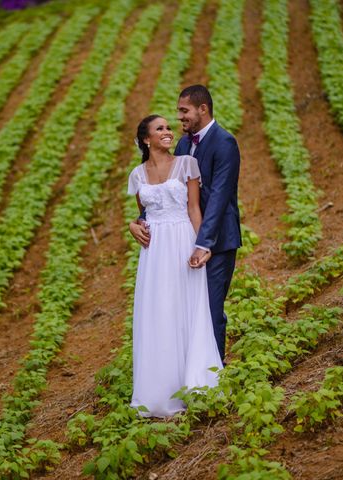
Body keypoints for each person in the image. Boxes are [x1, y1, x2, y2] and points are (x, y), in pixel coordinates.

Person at [129, 85, 242, 363]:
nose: (180, 118)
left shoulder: (224, 142)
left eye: (184, 111)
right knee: (184, 310)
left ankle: (214, 376)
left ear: (202, 109)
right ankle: (184, 372)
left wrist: (203, 243)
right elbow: (166, 195)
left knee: (210, 310)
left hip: (217, 240)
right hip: (182, 240)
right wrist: (138, 222)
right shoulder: (182, 144)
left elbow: (218, 197)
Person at [127, 114, 223, 418]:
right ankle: (160, 391)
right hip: (154, 253)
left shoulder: (186, 164)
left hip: (182, 239)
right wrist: (133, 225)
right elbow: (144, 215)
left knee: (188, 309)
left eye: (169, 127)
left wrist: (201, 245)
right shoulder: (137, 175)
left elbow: (194, 209)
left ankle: (195, 383)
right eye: (160, 129)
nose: (168, 132)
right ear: (146, 139)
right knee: (159, 312)